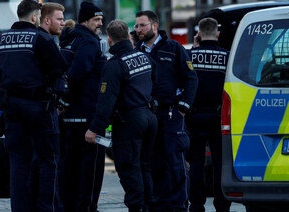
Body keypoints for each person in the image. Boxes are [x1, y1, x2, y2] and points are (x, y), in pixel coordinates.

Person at [0, 0, 67, 211]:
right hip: (39, 107)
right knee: (48, 161)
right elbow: (59, 70)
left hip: (12, 107)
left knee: (18, 162)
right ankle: (46, 208)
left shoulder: (1, 39)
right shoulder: (41, 39)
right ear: (33, 17)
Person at [85, 19, 158, 212]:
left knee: (129, 169)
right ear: (128, 36)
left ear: (109, 40)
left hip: (130, 122)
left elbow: (105, 101)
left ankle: (137, 208)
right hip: (150, 117)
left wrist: (94, 129)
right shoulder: (144, 57)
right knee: (145, 168)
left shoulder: (114, 65)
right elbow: (156, 82)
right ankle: (149, 207)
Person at [135, 10, 198, 212]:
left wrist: (184, 107)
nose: (138, 30)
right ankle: (157, 205)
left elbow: (191, 78)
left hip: (171, 114)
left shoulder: (174, 48)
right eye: (136, 26)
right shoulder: (137, 51)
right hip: (147, 116)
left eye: (142, 25)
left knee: (175, 160)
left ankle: (179, 205)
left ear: (154, 26)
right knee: (152, 161)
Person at [58, 2, 107, 212]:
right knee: (91, 170)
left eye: (101, 19)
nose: (100, 23)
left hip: (70, 117)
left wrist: (64, 103)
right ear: (85, 21)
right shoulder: (88, 42)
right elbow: (77, 75)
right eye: (96, 20)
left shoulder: (71, 40)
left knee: (71, 167)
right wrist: (67, 101)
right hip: (86, 116)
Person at [186, 17, 231, 212]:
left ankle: (197, 205)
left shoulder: (189, 55)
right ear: (218, 33)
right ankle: (222, 205)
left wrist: (195, 47)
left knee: (196, 162)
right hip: (219, 116)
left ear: (198, 33)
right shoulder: (227, 56)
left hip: (194, 116)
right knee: (220, 162)